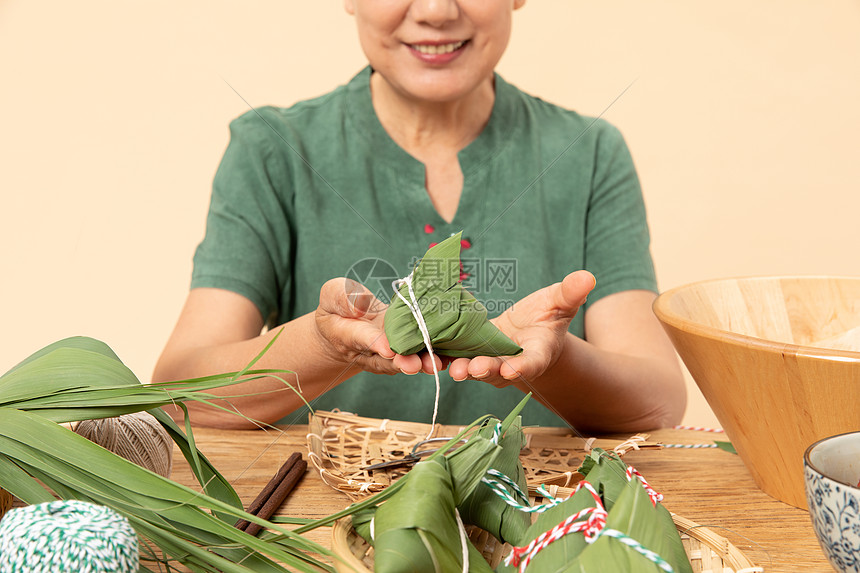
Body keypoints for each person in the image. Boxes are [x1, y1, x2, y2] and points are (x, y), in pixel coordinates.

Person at [152, 0, 686, 432]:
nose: (434, 10)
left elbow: (657, 404)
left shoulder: (589, 154)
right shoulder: (271, 149)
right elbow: (180, 394)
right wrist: (324, 344)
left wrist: (553, 357)